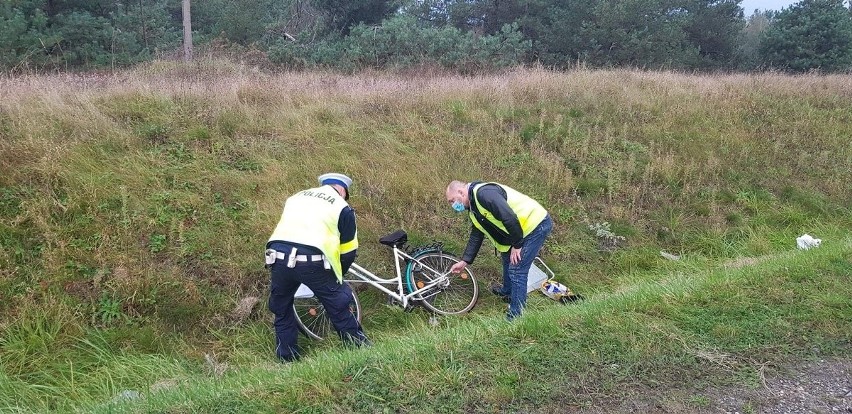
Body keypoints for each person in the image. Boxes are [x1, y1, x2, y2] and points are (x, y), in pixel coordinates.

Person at [265, 173, 370, 362]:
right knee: (338, 304)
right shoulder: (341, 206)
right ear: (342, 191)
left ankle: (287, 358)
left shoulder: (296, 197)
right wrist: (338, 276)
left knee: (281, 308)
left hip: (277, 256)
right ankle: (359, 349)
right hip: (311, 261)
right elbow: (348, 251)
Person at [445, 180, 553, 321]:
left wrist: (517, 244)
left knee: (517, 269)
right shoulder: (473, 209)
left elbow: (508, 217)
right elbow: (476, 235)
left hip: (535, 224)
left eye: (452, 200)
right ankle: (508, 292)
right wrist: (465, 261)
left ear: (460, 192)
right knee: (507, 260)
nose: (453, 205)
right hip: (519, 231)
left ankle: (516, 315)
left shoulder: (484, 194)